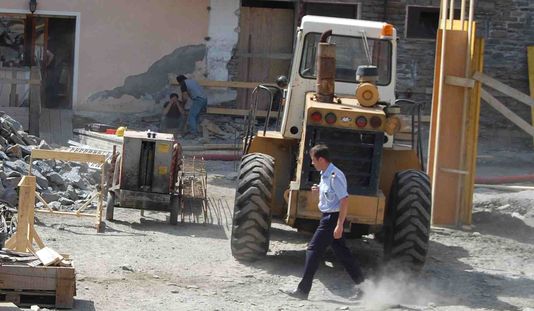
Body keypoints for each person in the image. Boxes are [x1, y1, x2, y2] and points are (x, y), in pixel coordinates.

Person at [281, 144, 365, 300]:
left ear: (321, 159)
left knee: (313, 249)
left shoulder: (334, 175)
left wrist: (340, 225)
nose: (312, 163)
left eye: (313, 160)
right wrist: (318, 189)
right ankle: (364, 288)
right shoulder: (325, 174)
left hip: (332, 219)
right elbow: (331, 193)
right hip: (328, 216)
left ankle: (302, 291)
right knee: (343, 254)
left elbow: (344, 200)